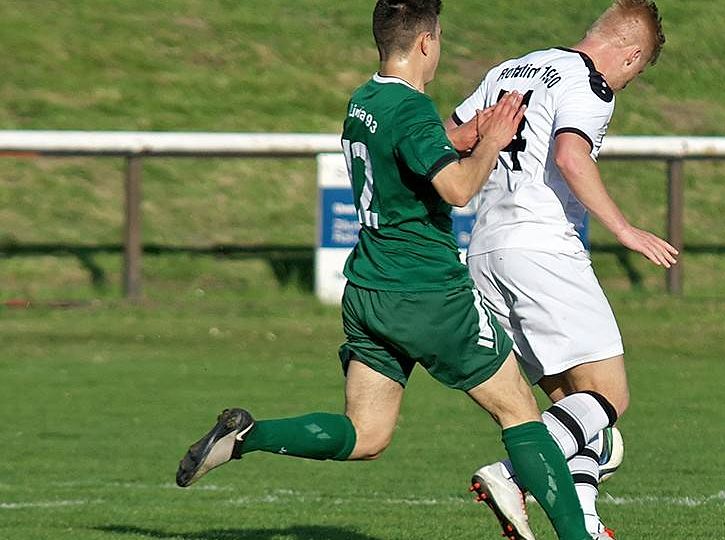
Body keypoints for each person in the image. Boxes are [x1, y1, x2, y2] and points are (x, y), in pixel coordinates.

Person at [174, 1, 593, 539]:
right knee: (520, 414)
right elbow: (458, 190)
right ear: (426, 42)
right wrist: (490, 141)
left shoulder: (364, 100)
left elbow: (404, 155)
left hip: (369, 292)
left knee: (366, 434)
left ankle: (247, 436)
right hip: (427, 293)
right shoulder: (413, 110)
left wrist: (461, 138)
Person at [444, 1, 676, 538]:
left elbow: (450, 137)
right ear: (631, 55)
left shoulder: (510, 69)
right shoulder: (589, 83)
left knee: (575, 406)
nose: (628, 82)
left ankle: (587, 526)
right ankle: (509, 474)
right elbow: (571, 157)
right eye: (636, 73)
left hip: (485, 251)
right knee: (610, 396)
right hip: (542, 248)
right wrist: (626, 230)